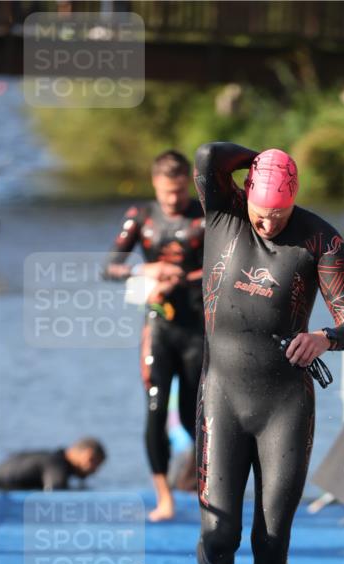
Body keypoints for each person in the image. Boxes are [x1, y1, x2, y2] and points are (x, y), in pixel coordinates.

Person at [190, 141, 344, 564]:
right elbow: (207, 155)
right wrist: (263, 157)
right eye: (261, 214)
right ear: (246, 195)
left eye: (280, 216)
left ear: (296, 205)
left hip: (284, 404)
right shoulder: (222, 211)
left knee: (273, 533)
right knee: (220, 534)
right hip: (222, 393)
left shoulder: (320, 239)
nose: (268, 225)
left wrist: (325, 337)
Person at [103, 150, 204, 522]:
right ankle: (165, 497)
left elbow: (224, 268)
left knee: (198, 413)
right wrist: (149, 269)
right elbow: (111, 267)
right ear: (155, 186)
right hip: (159, 328)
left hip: (198, 328)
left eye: (179, 193)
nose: (173, 201)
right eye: (166, 195)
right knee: (155, 410)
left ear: (187, 185)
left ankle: (209, 491)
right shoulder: (141, 216)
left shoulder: (205, 216)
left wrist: (180, 276)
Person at [0, 438, 106, 491]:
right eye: (92, 461)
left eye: (97, 466)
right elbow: (55, 493)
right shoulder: (56, 465)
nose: (93, 470)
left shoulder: (48, 459)